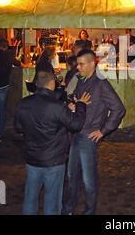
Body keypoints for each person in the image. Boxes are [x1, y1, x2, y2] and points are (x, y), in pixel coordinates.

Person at [14, 70, 91, 215]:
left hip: (32, 159)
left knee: (30, 198)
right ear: (52, 84)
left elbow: (18, 128)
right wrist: (81, 105)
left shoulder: (23, 104)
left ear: (36, 84)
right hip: (54, 161)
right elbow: (76, 125)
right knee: (52, 200)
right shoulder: (57, 106)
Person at [62, 49, 126, 215]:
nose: (78, 67)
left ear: (93, 63)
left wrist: (103, 131)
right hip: (76, 133)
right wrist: (74, 107)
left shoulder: (101, 83)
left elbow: (118, 108)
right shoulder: (82, 80)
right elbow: (79, 102)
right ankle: (69, 208)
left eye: (82, 64)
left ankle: (89, 211)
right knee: (71, 175)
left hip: (88, 137)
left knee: (88, 180)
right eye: (78, 64)